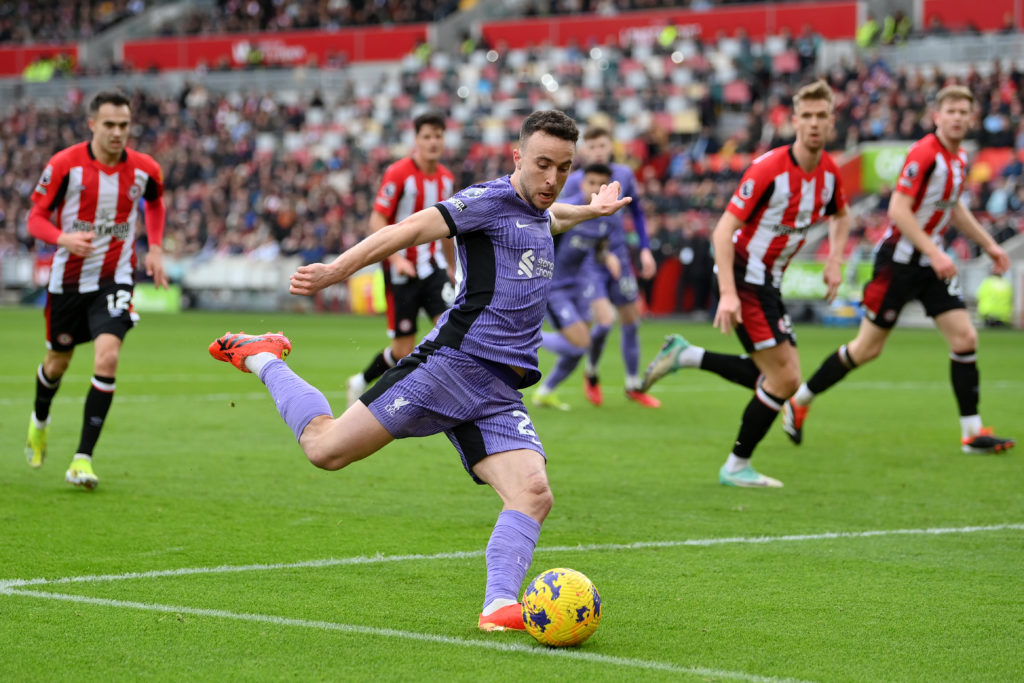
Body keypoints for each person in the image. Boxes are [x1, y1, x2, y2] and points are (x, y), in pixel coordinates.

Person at [208, 110, 630, 631]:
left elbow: (554, 216)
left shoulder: (543, 208)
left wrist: (591, 210)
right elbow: (408, 229)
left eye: (563, 168)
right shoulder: (487, 201)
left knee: (534, 493)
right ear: (517, 157)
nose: (551, 179)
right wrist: (336, 271)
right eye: (542, 165)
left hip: (499, 390)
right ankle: (262, 356)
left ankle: (499, 605)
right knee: (324, 449)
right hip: (450, 367)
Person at [783, 86, 1015, 455]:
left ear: (971, 118)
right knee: (866, 349)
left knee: (965, 338)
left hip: (927, 262)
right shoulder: (925, 154)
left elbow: (953, 208)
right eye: (950, 111)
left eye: (962, 112)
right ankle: (800, 400)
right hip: (897, 263)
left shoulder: (958, 160)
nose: (956, 117)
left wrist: (989, 244)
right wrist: (935, 253)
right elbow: (898, 210)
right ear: (937, 117)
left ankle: (972, 433)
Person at [642, 80, 851, 488]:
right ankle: (737, 465)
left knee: (777, 375)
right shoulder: (769, 169)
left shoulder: (828, 175)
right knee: (786, 379)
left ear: (831, 121)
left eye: (820, 116)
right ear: (793, 121)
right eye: (805, 116)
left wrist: (835, 262)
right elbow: (723, 231)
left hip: (768, 282)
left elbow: (841, 215)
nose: (812, 123)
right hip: (742, 275)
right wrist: (727, 295)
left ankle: (687, 356)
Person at [24, 90, 168, 490]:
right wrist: (62, 238)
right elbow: (34, 218)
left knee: (107, 358)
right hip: (68, 281)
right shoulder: (65, 166)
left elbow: (155, 204)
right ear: (92, 124)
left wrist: (154, 248)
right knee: (57, 364)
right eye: (109, 125)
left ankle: (82, 459)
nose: (118, 133)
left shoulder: (144, 169)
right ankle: (39, 422)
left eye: (124, 125)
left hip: (115, 278)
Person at [346, 112, 455, 407]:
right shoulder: (398, 173)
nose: (433, 142)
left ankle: (440, 394)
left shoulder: (446, 179)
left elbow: (447, 229)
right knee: (402, 349)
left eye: (438, 136)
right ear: (416, 140)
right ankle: (360, 382)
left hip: (433, 268)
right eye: (427, 136)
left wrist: (453, 269)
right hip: (401, 272)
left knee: (452, 327)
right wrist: (396, 260)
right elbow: (376, 221)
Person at [560, 127, 659, 407]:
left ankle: (632, 385)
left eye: (601, 145)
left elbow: (637, 212)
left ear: (610, 146)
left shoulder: (624, 175)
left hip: (619, 257)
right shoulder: (574, 180)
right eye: (591, 147)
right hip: (589, 262)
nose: (597, 151)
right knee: (603, 322)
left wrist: (645, 250)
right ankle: (591, 373)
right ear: (584, 151)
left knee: (631, 320)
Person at [531, 163, 618, 410]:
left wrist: (607, 257)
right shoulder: (567, 209)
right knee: (582, 343)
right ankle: (528, 338)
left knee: (583, 344)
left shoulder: (605, 218)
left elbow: (599, 249)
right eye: (590, 182)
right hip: (554, 287)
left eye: (599, 185)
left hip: (579, 287)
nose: (593, 188)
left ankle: (545, 393)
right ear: (582, 184)